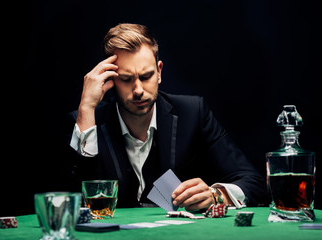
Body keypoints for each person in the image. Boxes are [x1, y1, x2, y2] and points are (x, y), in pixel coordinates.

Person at [66, 23, 267, 210]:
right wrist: (86, 108)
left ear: (159, 72)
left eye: (146, 77)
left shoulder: (193, 112)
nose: (138, 90)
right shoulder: (87, 122)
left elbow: (253, 182)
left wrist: (216, 195)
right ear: (110, 80)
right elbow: (72, 200)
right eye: (126, 79)